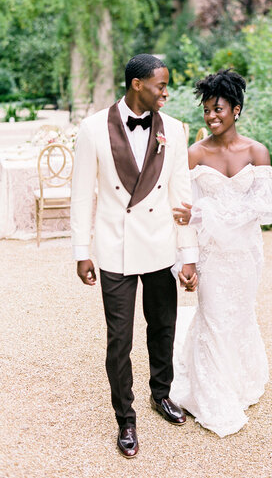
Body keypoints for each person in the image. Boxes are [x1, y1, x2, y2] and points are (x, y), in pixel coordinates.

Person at [70, 54, 198, 458]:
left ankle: (161, 394)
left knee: (163, 328)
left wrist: (189, 253)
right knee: (119, 339)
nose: (167, 91)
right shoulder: (92, 128)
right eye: (161, 84)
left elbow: (183, 195)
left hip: (161, 245)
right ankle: (125, 419)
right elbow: (80, 196)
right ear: (137, 84)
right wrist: (81, 251)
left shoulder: (175, 130)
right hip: (114, 248)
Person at [170, 69, 272, 437]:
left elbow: (262, 209)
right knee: (214, 318)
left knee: (239, 317)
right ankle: (213, 394)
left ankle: (239, 379)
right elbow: (183, 213)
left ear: (236, 109)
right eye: (206, 110)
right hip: (211, 256)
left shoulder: (256, 152)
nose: (211, 117)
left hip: (244, 256)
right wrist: (185, 260)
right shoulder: (194, 154)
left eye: (218, 109)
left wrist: (204, 212)